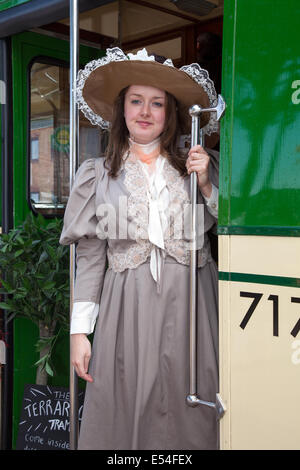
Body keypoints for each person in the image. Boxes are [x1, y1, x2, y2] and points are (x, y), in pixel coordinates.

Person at [60, 47, 219, 450]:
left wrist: (205, 185)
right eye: (136, 101)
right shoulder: (96, 175)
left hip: (193, 304)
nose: (145, 111)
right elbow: (92, 257)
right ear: (122, 109)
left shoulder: (200, 163)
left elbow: (235, 224)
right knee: (126, 403)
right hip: (126, 307)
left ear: (170, 113)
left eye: (156, 103)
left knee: (192, 402)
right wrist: (81, 332)